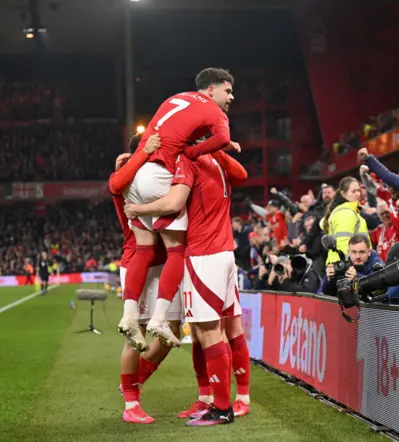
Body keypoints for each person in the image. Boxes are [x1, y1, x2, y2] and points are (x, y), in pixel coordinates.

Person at [124, 149, 251, 426]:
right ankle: (220, 400)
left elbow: (174, 202)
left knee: (208, 332)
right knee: (215, 330)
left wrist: (138, 209)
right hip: (225, 250)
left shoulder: (188, 158)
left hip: (204, 253)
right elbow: (242, 174)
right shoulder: (216, 158)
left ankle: (222, 407)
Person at [118, 67, 241, 351]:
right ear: (211, 90)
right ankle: (160, 318)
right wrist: (193, 151)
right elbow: (220, 139)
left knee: (145, 248)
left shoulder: (174, 99)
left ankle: (129, 316)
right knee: (176, 249)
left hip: (137, 173)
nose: (231, 97)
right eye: (228, 91)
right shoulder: (215, 113)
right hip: (161, 174)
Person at [111, 135, 182, 424]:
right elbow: (116, 184)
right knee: (135, 335)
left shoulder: (163, 177)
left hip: (165, 265)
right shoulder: (128, 178)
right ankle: (130, 404)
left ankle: (134, 382)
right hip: (137, 261)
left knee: (171, 332)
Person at [322, 177, 370, 263]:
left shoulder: (349, 211)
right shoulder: (345, 213)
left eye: (358, 190)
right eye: (353, 191)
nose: (358, 194)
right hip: (347, 264)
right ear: (343, 194)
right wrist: (348, 264)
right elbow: (344, 243)